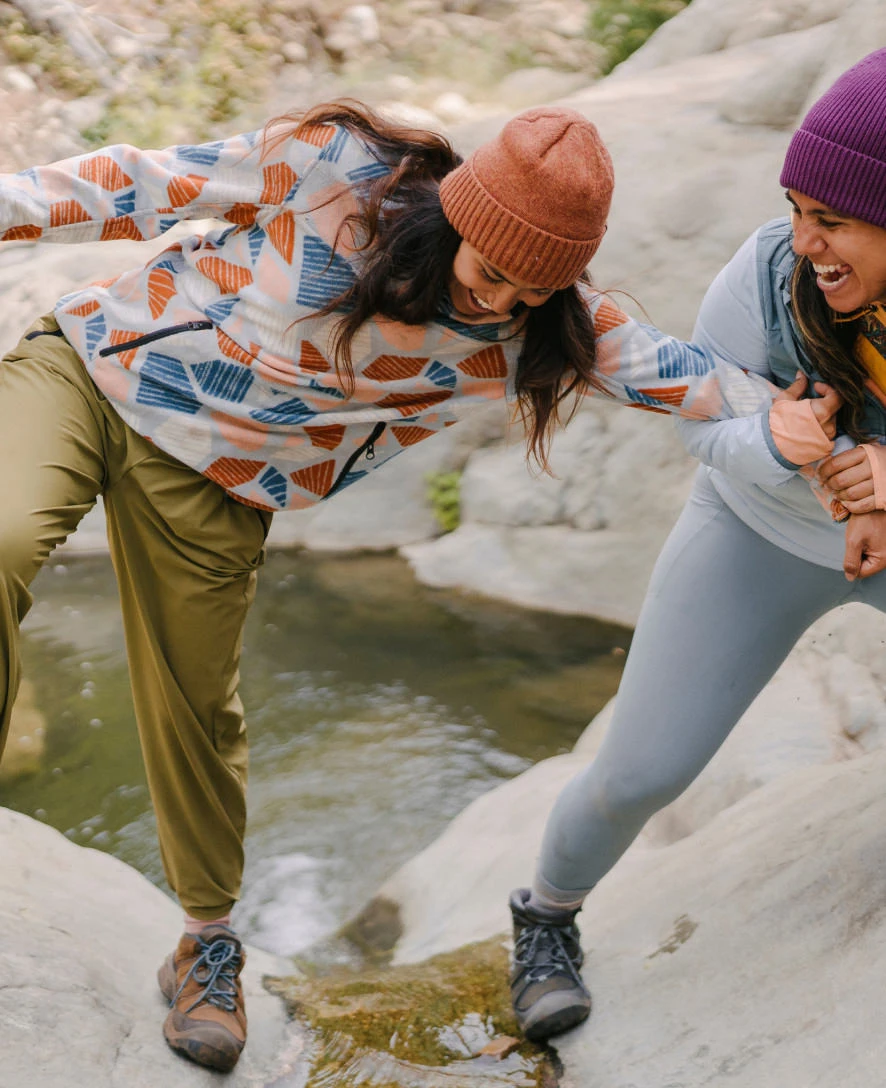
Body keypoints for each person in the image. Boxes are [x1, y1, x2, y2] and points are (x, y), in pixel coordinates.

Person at [0, 100, 831, 1072]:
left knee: (195, 701)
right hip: (92, 371)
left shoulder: (543, 331)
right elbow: (145, 184)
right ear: (459, 215)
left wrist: (796, 429)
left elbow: (689, 377)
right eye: (493, 272)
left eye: (535, 289)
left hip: (218, 478)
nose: (503, 304)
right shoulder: (337, 172)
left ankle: (205, 944)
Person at [508, 47, 886, 1046]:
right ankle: (543, 916)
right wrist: (777, 443)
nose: (803, 241)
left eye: (832, 218)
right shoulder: (764, 274)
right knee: (638, 773)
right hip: (757, 531)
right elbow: (702, 427)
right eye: (795, 208)